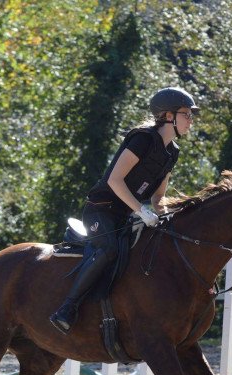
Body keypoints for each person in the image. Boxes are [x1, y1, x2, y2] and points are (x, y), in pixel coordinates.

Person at [49, 86, 199, 334]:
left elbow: (158, 196)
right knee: (108, 249)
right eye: (186, 114)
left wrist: (165, 213)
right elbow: (115, 181)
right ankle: (66, 309)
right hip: (101, 209)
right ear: (168, 116)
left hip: (127, 215)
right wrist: (141, 210)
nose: (190, 120)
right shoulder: (141, 139)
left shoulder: (173, 152)